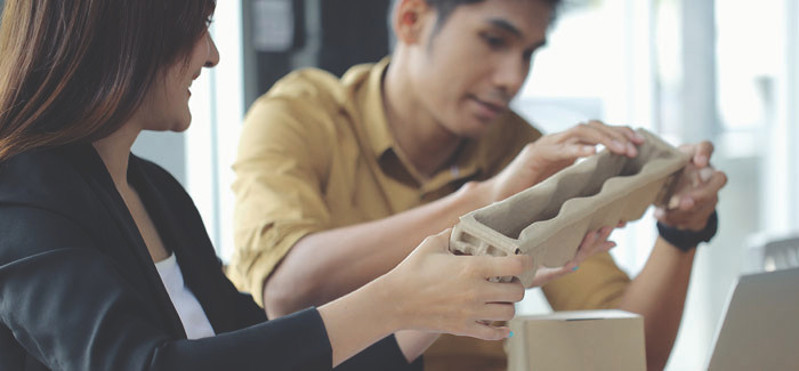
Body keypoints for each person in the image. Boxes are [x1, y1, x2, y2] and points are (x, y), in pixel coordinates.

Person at [0, 0, 606, 369]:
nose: (211, 55)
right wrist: (399, 297)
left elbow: (268, 351)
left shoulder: (155, 192)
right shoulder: (19, 194)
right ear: (127, 31)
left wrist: (444, 299)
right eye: (199, 23)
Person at [229, 0, 729, 369]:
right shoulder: (301, 115)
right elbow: (288, 289)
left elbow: (628, 352)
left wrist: (680, 233)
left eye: (529, 53)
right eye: (493, 40)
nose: (513, 77)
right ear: (412, 19)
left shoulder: (526, 150)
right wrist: (492, 197)